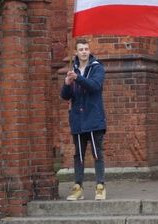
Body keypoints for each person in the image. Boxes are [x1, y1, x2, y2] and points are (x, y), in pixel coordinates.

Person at [60, 38, 107, 201]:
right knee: (78, 156)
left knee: (97, 154)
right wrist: (67, 83)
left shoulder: (97, 68)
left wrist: (78, 78)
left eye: (86, 49)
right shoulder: (72, 70)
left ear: (89, 50)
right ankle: (78, 188)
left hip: (94, 119)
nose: (84, 52)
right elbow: (65, 96)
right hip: (78, 121)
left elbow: (94, 86)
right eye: (81, 49)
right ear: (76, 52)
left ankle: (100, 186)